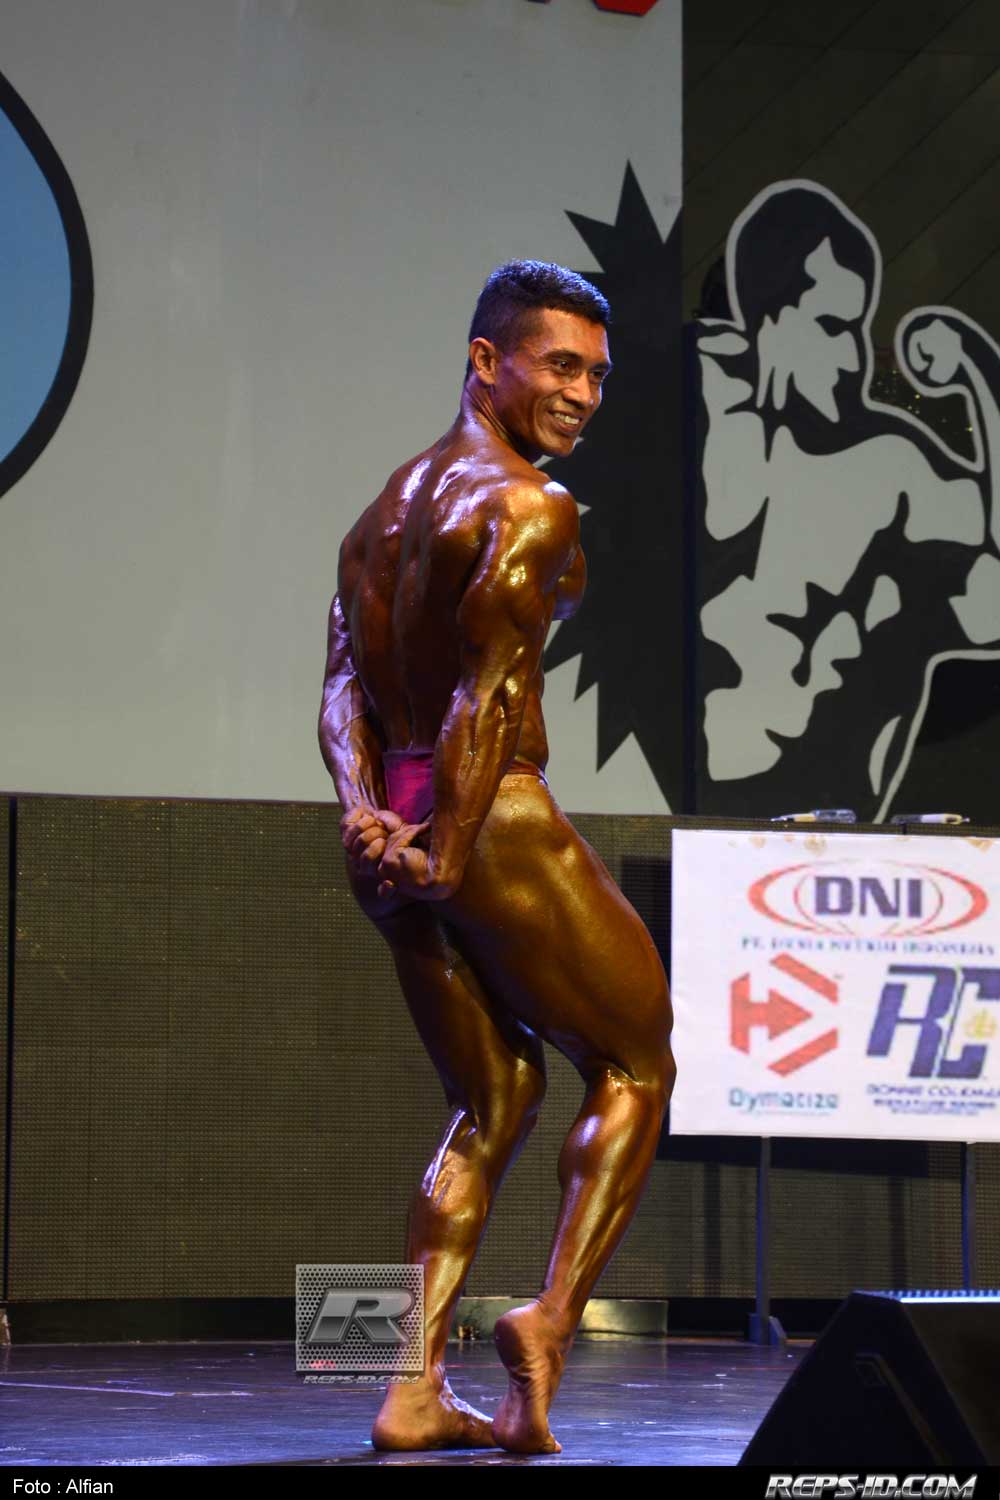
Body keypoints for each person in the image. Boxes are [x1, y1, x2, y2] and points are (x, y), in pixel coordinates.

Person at [318, 260, 674, 1456]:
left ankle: (409, 1388)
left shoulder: (378, 517)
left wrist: (368, 816)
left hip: (393, 824)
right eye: (560, 365)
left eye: (599, 376)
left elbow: (343, 689)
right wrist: (450, 847)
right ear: (485, 360)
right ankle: (549, 1319)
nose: (583, 394)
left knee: (492, 1099)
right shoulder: (529, 506)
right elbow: (489, 694)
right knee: (636, 1062)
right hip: (486, 819)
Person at [696, 181, 1000, 819]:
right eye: (834, 326)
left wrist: (979, 372)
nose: (855, 356)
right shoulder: (695, 426)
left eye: (859, 329)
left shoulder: (889, 469)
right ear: (768, 320)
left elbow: (989, 602)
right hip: (688, 825)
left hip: (843, 828)